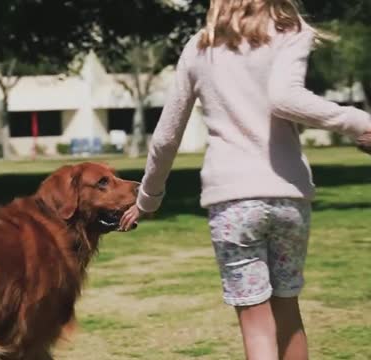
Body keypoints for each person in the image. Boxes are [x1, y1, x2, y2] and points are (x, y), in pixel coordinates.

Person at [119, 0, 371, 359]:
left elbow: (165, 138)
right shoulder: (290, 31)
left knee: (257, 327)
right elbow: (286, 97)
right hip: (288, 199)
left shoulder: (199, 46)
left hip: (233, 205)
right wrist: (360, 123)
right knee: (289, 315)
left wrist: (148, 199)